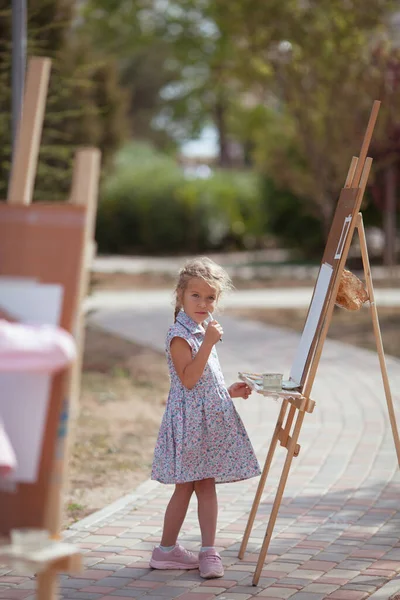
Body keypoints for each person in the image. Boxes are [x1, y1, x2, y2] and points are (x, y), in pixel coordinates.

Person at [150, 257, 261, 579]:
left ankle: (208, 550)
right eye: (195, 296)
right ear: (180, 296)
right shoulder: (180, 335)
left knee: (207, 485)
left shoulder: (202, 329)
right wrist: (209, 342)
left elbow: (201, 385)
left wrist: (228, 392)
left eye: (210, 297)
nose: (203, 303)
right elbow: (187, 379)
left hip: (208, 419)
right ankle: (167, 550)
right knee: (185, 488)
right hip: (190, 424)